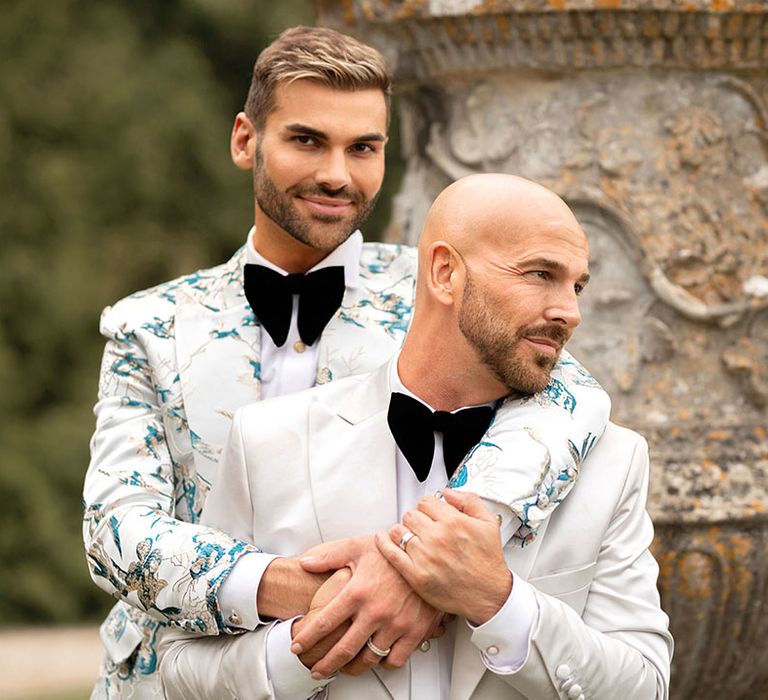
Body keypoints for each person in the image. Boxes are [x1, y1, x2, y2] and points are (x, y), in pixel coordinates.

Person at [82, 28, 609, 699]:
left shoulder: (445, 296)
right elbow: (114, 530)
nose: (338, 173)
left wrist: (432, 559)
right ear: (246, 141)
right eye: (307, 140)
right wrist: (307, 590)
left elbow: (576, 399)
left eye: (363, 147)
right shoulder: (148, 326)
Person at [159, 175, 672, 700]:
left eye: (577, 285)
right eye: (541, 274)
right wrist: (313, 641)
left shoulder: (613, 462)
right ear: (445, 273)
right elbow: (180, 671)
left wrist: (499, 601)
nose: (570, 311)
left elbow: (646, 686)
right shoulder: (266, 440)